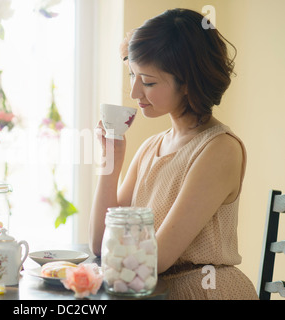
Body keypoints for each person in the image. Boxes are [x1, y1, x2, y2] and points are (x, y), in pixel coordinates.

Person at [89, 8, 258, 299]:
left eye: (149, 81)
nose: (134, 93)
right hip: (152, 290)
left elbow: (155, 260)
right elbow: (99, 244)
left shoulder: (219, 149)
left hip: (202, 292)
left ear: (188, 82)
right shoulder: (150, 148)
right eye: (132, 75)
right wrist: (110, 162)